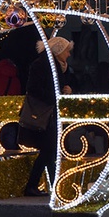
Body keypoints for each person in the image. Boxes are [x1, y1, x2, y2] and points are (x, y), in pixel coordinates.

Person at [19, 36, 76, 197]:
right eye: (66, 51)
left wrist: (67, 90)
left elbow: (61, 85)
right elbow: (33, 88)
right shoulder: (41, 65)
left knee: (50, 151)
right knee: (48, 150)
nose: (69, 55)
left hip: (50, 113)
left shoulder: (59, 66)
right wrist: (56, 96)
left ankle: (51, 187)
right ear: (58, 51)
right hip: (44, 114)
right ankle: (34, 186)